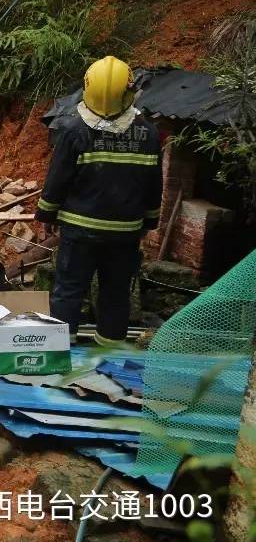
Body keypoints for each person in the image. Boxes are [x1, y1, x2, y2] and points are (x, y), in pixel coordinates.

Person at [36, 55, 162, 343]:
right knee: (116, 292)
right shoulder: (149, 135)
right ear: (128, 92)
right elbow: (154, 185)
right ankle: (110, 352)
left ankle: (60, 347)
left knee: (69, 288)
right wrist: (149, 222)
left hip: (79, 231)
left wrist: (46, 215)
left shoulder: (73, 131)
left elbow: (57, 180)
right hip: (125, 233)